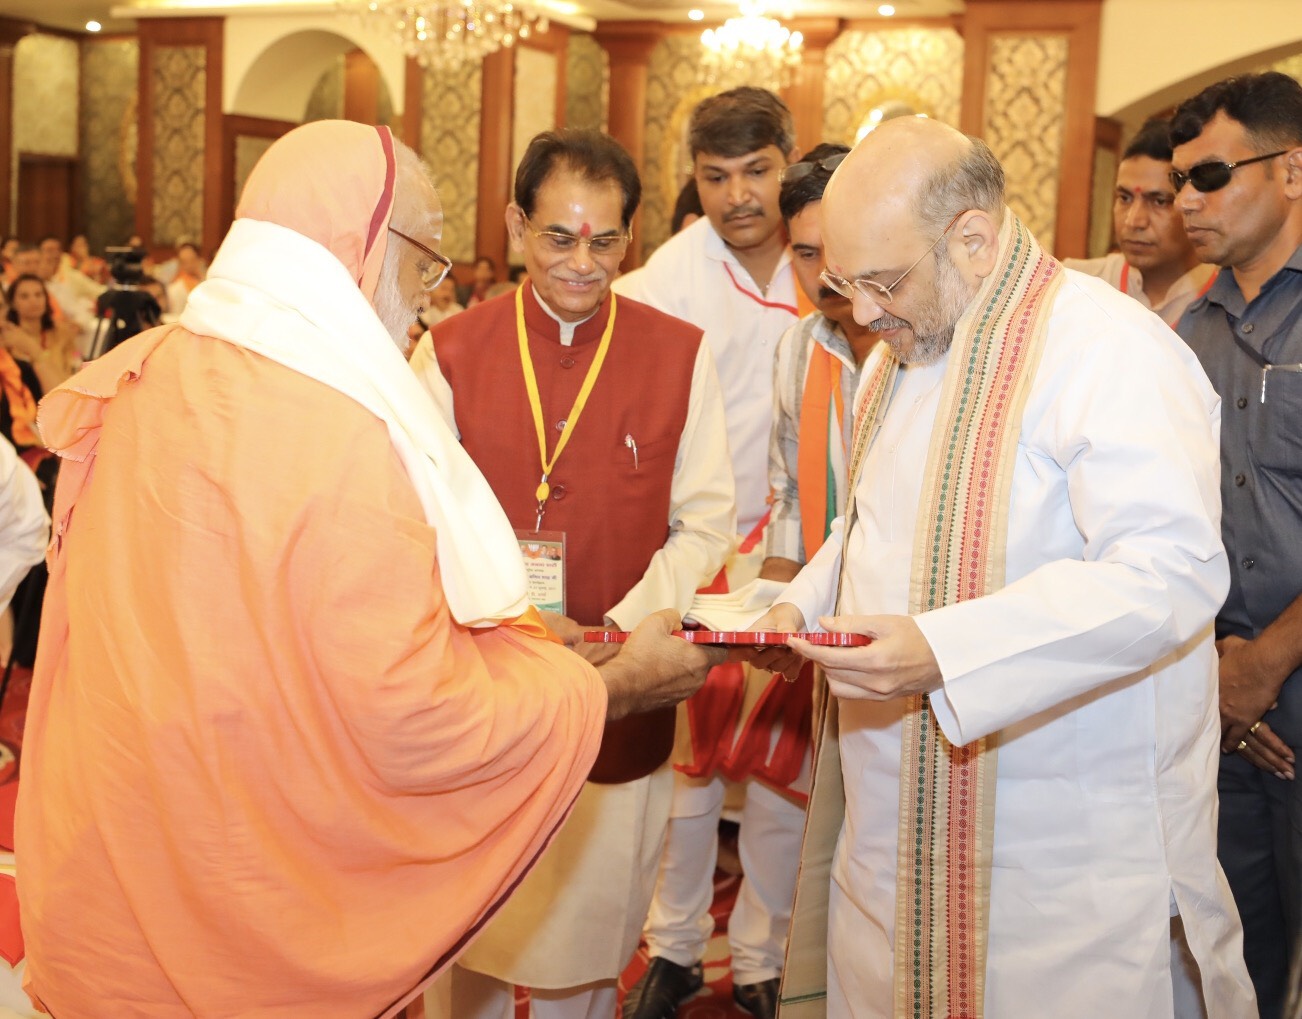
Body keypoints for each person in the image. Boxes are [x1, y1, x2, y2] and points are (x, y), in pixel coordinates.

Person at [14, 119, 723, 1019]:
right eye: (422, 262)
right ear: (357, 246)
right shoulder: (345, 437)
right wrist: (614, 686)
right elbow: (416, 717)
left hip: (123, 843)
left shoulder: (144, 373)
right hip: (255, 884)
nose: (424, 298)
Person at [748, 116, 1255, 1017]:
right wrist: (799, 605)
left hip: (1057, 859)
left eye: (880, 282)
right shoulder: (898, 355)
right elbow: (869, 524)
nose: (862, 314)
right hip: (891, 832)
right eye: (843, 285)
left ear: (973, 239)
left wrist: (944, 649)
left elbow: (1170, 574)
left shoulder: (1111, 351)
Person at [412, 127, 735, 1019]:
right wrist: (521, 620)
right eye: (560, 236)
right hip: (482, 686)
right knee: (468, 933)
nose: (582, 263)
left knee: (595, 941)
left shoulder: (680, 353)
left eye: (605, 240)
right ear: (518, 225)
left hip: (618, 690)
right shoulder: (446, 353)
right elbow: (418, 521)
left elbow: (705, 522)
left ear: (630, 237)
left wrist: (615, 631)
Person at [614, 86, 807, 1019]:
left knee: (781, 768)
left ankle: (765, 958)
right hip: (702, 555)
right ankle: (676, 945)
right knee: (687, 767)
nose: (738, 196)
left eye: (757, 172)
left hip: (805, 554)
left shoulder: (828, 257)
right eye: (715, 176)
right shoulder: (669, 275)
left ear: (788, 160)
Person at [1171, 71, 1302, 1019]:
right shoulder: (1188, 323)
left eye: (1209, 176)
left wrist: (1268, 659)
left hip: (1276, 669)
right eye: (1180, 179)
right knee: (1237, 957)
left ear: (1291, 169)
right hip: (1221, 696)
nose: (1185, 201)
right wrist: (1226, 660)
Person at [762, 142, 878, 586]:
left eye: (838, 248)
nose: (826, 272)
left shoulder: (923, 344)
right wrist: (772, 600)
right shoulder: (797, 347)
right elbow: (790, 491)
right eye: (807, 254)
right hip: (821, 605)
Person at [1065, 117, 1216, 327]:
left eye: (1159, 201)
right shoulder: (1076, 284)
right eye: (1124, 198)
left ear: (1196, 204)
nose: (1134, 221)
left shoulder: (1228, 298)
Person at [3, 274, 79, 391]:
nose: (33, 301)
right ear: (13, 303)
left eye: (38, 294)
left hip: (61, 394)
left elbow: (75, 371)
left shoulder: (62, 333)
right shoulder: (9, 337)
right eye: (24, 296)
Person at [164, 240, 205, 316]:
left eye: (192, 260)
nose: (189, 265)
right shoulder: (174, 289)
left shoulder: (206, 283)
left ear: (199, 260)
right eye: (184, 262)